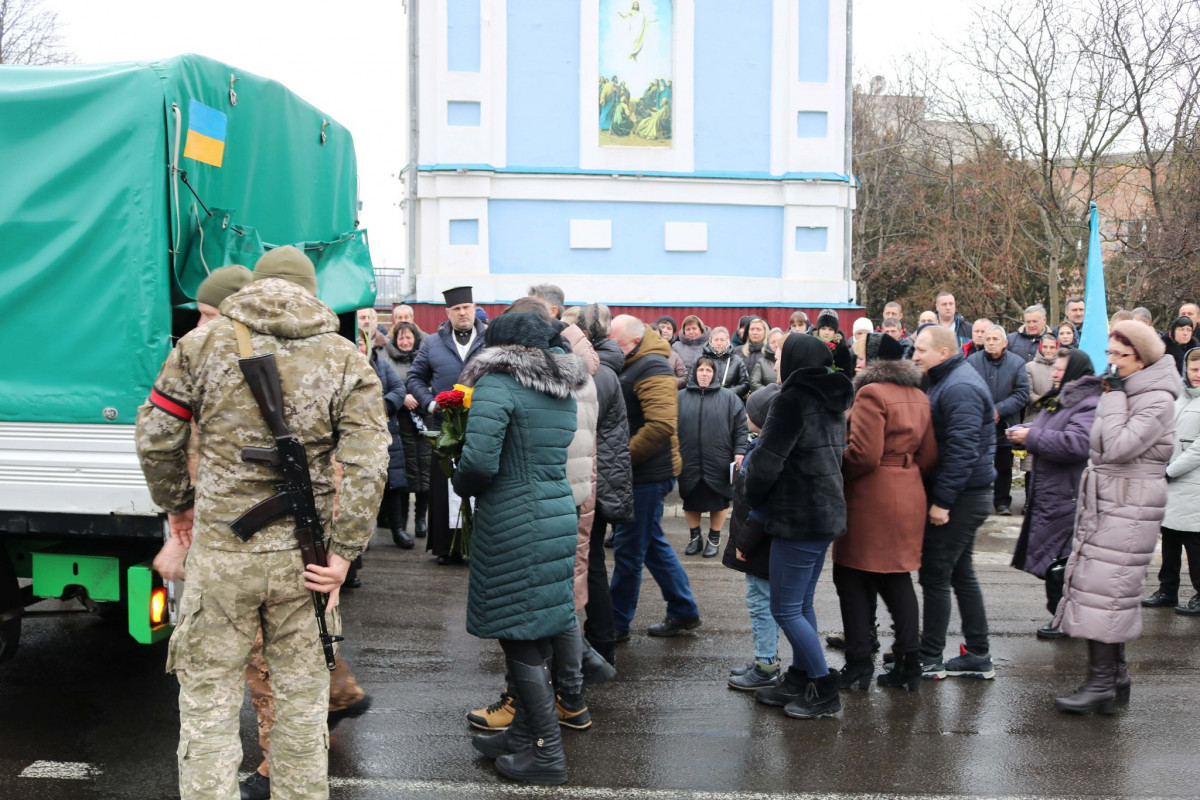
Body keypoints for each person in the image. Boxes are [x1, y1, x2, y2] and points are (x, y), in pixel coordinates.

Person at [136, 246, 389, 800]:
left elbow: (157, 436)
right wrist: (344, 553)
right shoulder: (346, 357)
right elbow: (370, 462)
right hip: (307, 562)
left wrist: (179, 506)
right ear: (311, 291)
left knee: (208, 707)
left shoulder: (200, 345)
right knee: (301, 706)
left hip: (223, 555)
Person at [454, 312, 586, 786]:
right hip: (553, 510)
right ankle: (522, 737)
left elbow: (479, 463)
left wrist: (458, 476)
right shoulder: (561, 388)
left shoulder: (497, 384)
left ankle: (547, 753)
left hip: (515, 516)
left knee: (517, 632)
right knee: (535, 626)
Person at [1052, 320, 1182, 713]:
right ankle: (1115, 677)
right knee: (1106, 592)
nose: (1110, 361)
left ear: (1141, 359)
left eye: (1119, 355)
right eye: (1109, 352)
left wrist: (1113, 398)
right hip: (1111, 500)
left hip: (1131, 502)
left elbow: (1119, 446)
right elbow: (1100, 443)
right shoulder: (1127, 391)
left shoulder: (1157, 397)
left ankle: (1101, 684)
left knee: (1105, 591)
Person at [744, 334, 854, 719]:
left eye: (780, 358)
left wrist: (749, 488)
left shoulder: (790, 399)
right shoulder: (833, 398)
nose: (776, 364)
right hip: (824, 514)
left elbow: (766, 463)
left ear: (794, 362)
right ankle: (799, 675)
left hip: (798, 515)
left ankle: (823, 688)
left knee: (784, 608)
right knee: (800, 603)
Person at [835, 333, 937, 692]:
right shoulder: (919, 396)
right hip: (909, 492)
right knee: (897, 579)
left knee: (850, 579)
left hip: (870, 496)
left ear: (874, 360)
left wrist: (837, 470)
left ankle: (859, 664)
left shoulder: (870, 393)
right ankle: (910, 664)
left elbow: (863, 454)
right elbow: (928, 455)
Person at [911, 324, 997, 680]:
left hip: (963, 496)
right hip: (965, 493)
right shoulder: (944, 379)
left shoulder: (959, 386)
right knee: (961, 574)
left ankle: (930, 658)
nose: (914, 355)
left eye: (920, 350)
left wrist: (942, 502)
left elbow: (963, 450)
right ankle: (978, 654)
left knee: (935, 575)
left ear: (943, 353)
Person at [607, 316, 702, 639]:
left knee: (629, 550)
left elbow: (660, 426)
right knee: (650, 545)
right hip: (639, 472)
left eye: (616, 343)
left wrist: (620, 460)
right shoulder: (635, 362)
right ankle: (683, 610)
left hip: (647, 474)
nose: (612, 349)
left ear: (634, 341)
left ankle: (615, 625)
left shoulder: (653, 367)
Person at [1007, 349, 1099, 639]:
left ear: (1076, 372)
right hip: (1054, 493)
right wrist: (1026, 429)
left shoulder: (1088, 402)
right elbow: (1052, 428)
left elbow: (1077, 443)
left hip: (1069, 496)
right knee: (1056, 563)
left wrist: (1031, 437)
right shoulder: (1063, 398)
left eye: (1060, 369)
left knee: (1064, 565)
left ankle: (1070, 621)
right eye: (1055, 368)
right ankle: (1066, 617)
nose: (1055, 373)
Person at [406, 286, 487, 565]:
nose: (462, 312)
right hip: (445, 428)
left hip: (483, 426)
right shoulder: (432, 342)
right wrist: (430, 404)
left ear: (474, 307)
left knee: (481, 485)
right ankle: (447, 547)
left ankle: (479, 546)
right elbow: (414, 378)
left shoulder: (491, 339)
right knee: (444, 488)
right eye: (456, 309)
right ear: (447, 312)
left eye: (467, 307)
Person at [574, 304, 634, 667]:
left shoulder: (597, 374)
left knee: (592, 563)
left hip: (594, 479)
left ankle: (600, 642)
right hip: (603, 476)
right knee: (594, 561)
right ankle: (601, 638)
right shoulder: (609, 369)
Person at [723, 383, 783, 691]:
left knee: (761, 601)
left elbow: (757, 505)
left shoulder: (764, 451)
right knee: (764, 600)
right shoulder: (763, 443)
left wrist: (744, 543)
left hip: (759, 541)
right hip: (760, 539)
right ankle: (767, 655)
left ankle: (765, 664)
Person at [1142, 348, 1200, 615]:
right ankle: (1167, 590)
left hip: (1192, 485)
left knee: (1195, 543)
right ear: (1186, 370)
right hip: (1170, 484)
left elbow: (1198, 450)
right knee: (1170, 540)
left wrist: (1169, 471)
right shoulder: (1177, 399)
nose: (1198, 374)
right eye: (1194, 369)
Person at [677, 356, 749, 558]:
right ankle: (695, 538)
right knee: (690, 500)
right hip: (688, 460)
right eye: (701, 370)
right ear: (694, 372)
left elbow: (741, 429)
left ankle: (714, 538)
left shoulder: (729, 398)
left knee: (720, 501)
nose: (704, 374)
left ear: (715, 374)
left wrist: (740, 452)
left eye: (709, 371)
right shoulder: (679, 397)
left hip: (719, 461)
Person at [967, 325, 1030, 516]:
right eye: (988, 339)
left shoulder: (1017, 363)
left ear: (1005, 343)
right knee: (978, 465)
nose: (991, 343)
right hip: (979, 423)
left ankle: (1002, 502)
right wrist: (986, 410)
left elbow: (1022, 393)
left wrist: (999, 410)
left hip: (1006, 424)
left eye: (995, 339)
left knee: (1004, 466)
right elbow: (966, 388)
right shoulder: (972, 362)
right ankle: (977, 502)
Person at [383, 321, 433, 542]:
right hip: (400, 422)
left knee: (425, 470)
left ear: (415, 338)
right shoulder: (387, 359)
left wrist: (420, 398)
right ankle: (401, 524)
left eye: (408, 337)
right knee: (404, 472)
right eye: (401, 338)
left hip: (423, 419)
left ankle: (421, 520)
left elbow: (432, 383)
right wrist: (403, 398)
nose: (405, 342)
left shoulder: (424, 356)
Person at [701, 326, 750, 398]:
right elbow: (692, 380)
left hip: (729, 399)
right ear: (710, 341)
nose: (719, 343)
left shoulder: (737, 361)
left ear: (728, 341)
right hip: (706, 399)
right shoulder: (701, 359)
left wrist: (729, 393)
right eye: (716, 340)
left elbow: (745, 383)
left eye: (722, 340)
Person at [814, 309, 855, 375]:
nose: (826, 332)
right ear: (818, 329)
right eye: (823, 328)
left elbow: (846, 373)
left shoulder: (842, 348)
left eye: (830, 329)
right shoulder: (810, 344)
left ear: (835, 331)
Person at [736, 317, 771, 388]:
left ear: (765, 331)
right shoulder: (737, 351)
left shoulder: (770, 353)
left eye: (758, 329)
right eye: (752, 329)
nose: (755, 332)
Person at [749, 327, 783, 392]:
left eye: (779, 341)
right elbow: (754, 383)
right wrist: (771, 393)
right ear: (768, 345)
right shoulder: (761, 363)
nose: (776, 345)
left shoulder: (790, 360)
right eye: (773, 342)